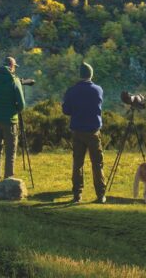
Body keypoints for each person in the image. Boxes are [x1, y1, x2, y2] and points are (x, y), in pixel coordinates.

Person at [62, 62, 107, 203]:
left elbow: (66, 111)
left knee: (78, 164)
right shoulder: (98, 90)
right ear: (91, 74)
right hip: (93, 131)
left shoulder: (72, 91)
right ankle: (101, 195)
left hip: (77, 131)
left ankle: (77, 194)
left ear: (80, 75)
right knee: (97, 164)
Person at [0, 56, 25, 182]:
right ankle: (8, 179)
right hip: (9, 120)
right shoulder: (14, 80)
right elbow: (21, 104)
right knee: (10, 151)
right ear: (11, 66)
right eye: (14, 67)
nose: (15, 69)